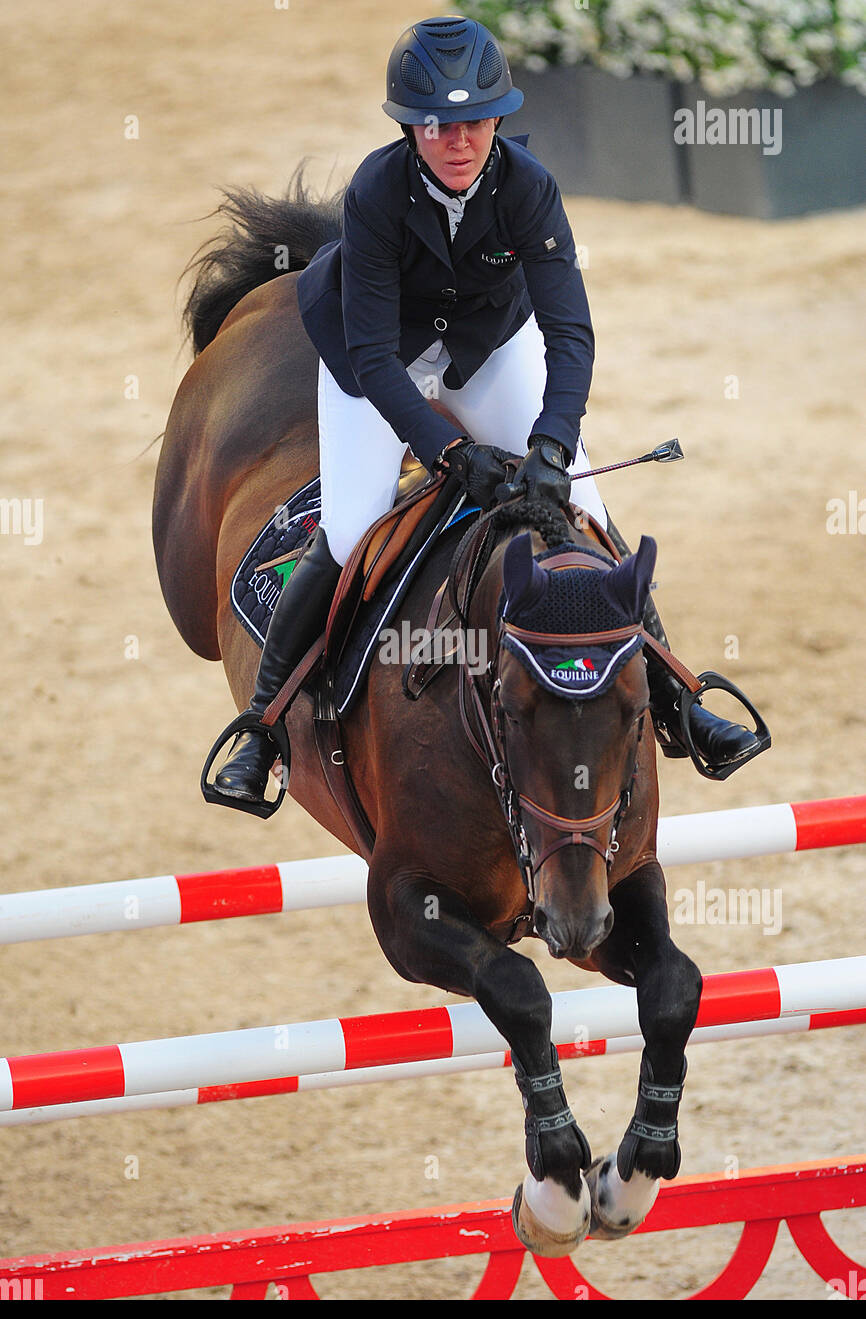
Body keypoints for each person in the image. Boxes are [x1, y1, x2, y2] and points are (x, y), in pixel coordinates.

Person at [213, 14, 760, 805]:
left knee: (583, 504)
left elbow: (569, 331)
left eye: (472, 121)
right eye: (435, 124)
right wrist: (444, 449)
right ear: (410, 128)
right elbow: (371, 354)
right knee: (353, 522)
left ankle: (680, 704)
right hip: (381, 358)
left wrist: (551, 444)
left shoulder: (531, 189)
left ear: (497, 118)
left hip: (487, 348)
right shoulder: (375, 192)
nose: (457, 140)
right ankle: (262, 728)